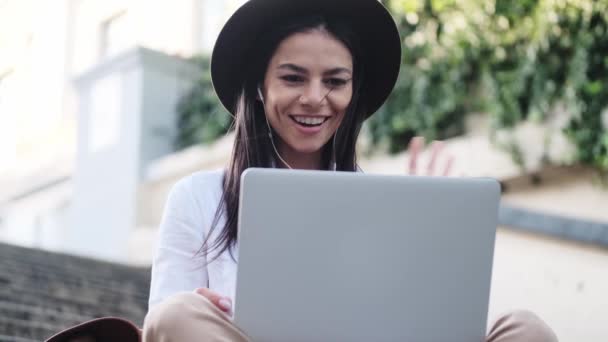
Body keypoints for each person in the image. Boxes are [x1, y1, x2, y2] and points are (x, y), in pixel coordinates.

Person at [49, 0, 558, 341]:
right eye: (293, 77)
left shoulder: (388, 205)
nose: (315, 98)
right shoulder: (197, 198)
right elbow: (162, 325)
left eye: (335, 81)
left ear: (353, 92)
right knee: (176, 315)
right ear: (259, 87)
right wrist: (203, 305)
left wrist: (430, 243)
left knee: (526, 328)